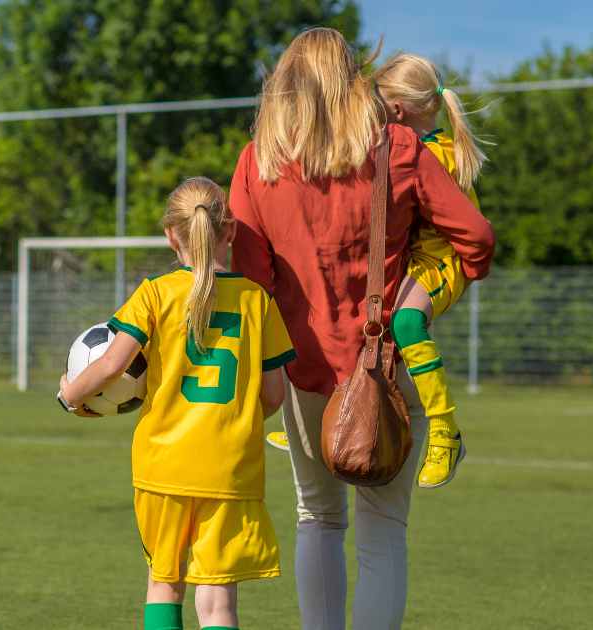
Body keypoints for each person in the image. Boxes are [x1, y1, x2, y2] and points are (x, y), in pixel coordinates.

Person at [228, 29, 495, 629]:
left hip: (302, 373)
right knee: (383, 534)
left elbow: (251, 281)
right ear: (352, 80)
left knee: (316, 518)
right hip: (388, 371)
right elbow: (476, 239)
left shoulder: (257, 162)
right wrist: (426, 298)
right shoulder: (395, 146)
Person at [57, 176, 297, 630]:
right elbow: (274, 395)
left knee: (164, 584)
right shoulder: (257, 300)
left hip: (164, 467)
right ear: (229, 232)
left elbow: (111, 366)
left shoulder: (155, 292)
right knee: (219, 604)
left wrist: (69, 394)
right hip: (231, 468)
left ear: (171, 234)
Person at [266, 52, 488, 489]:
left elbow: (472, 232)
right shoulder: (408, 147)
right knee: (359, 315)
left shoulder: (424, 154)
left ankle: (446, 431)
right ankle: (336, 418)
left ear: (397, 112)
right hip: (417, 260)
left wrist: (468, 270)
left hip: (438, 261)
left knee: (404, 322)